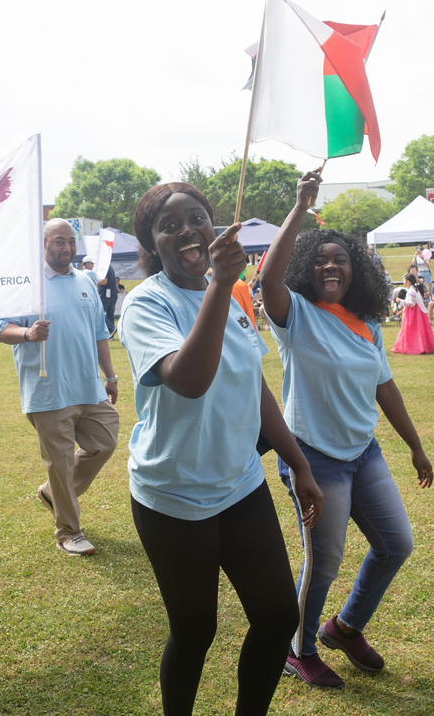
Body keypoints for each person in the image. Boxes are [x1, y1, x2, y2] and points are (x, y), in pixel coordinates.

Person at [119, 182, 322, 715]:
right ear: (152, 242)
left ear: (214, 226)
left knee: (279, 616)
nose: (187, 229)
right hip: (173, 493)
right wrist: (220, 285)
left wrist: (297, 462)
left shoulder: (229, 295)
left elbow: (252, 383)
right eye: (169, 224)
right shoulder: (145, 304)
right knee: (195, 630)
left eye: (197, 217)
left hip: (239, 483)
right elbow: (188, 379)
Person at [259, 171, 432, 690]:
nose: (330, 266)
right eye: (320, 259)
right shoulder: (295, 314)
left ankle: (346, 626)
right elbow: (268, 279)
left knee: (396, 544)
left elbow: (384, 385)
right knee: (324, 561)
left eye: (340, 259)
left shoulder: (368, 323)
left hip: (365, 453)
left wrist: (416, 447)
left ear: (356, 270)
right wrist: (300, 208)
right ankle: (299, 647)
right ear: (306, 269)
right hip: (315, 458)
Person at [0, 219, 119, 557]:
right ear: (44, 244)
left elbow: (99, 333)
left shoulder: (85, 281)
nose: (66, 248)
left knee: (105, 442)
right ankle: (69, 531)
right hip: (47, 390)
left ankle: (54, 493)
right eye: (58, 241)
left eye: (70, 241)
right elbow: (1, 328)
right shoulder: (27, 285)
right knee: (60, 462)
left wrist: (110, 375)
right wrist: (28, 334)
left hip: (88, 386)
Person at [392, 274, 434, 354]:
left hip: (413, 314)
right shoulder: (414, 290)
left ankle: (412, 347)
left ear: (408, 282)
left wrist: (400, 301)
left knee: (411, 330)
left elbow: (411, 304)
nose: (404, 282)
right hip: (415, 312)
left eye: (404, 280)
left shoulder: (411, 291)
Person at [97, 262, 118, 336]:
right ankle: (111, 333)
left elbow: (104, 281)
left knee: (99, 313)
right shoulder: (110, 267)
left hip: (105, 294)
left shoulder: (103, 268)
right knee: (110, 314)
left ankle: (111, 328)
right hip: (113, 294)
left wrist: (93, 280)